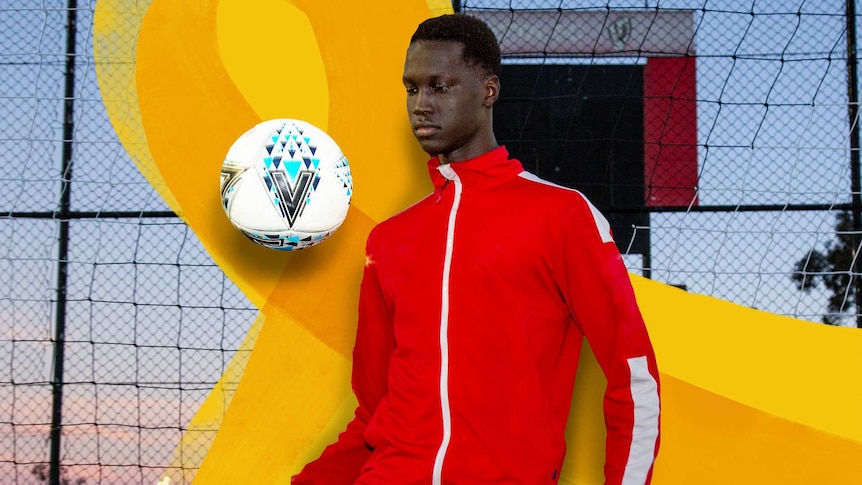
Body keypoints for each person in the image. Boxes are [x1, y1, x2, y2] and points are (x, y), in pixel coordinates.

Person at [293, 13, 660, 485]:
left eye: (440, 86)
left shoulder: (562, 216)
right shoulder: (388, 241)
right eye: (411, 89)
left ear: (488, 90)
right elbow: (375, 411)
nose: (421, 105)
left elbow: (634, 378)